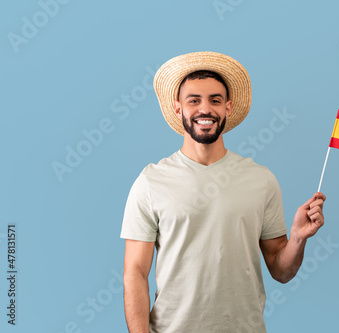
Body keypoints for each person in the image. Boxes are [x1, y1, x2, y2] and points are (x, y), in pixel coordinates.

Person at [120, 51, 326, 333]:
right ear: (178, 109)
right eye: (194, 100)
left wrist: (299, 238)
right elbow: (135, 272)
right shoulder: (151, 181)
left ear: (227, 108)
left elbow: (282, 271)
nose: (205, 109)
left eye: (215, 100)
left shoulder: (260, 179)